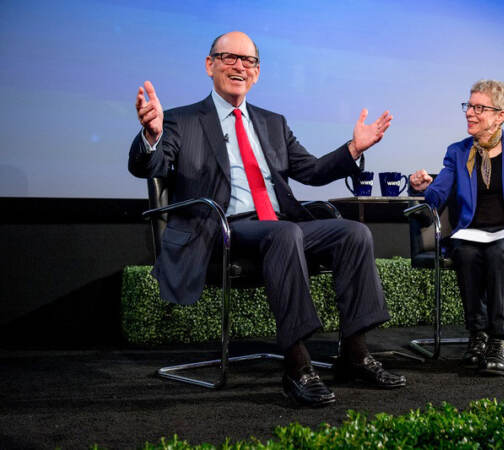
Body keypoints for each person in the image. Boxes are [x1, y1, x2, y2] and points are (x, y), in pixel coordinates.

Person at [129, 31, 406, 406]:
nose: (239, 66)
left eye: (249, 61)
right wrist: (151, 135)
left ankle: (355, 355)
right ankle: (297, 366)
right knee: (285, 233)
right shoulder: (181, 120)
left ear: (257, 73)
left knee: (353, 233)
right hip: (223, 230)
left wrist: (354, 148)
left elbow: (310, 170)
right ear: (209, 65)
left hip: (279, 225)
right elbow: (152, 165)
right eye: (229, 57)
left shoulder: (273, 122)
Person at [410, 80, 504, 376]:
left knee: (499, 252)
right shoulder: (458, 151)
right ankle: (478, 337)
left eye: (479, 108)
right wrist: (422, 187)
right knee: (464, 254)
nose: (470, 113)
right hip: (473, 233)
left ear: (500, 115)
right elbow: (437, 196)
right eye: (469, 106)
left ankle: (500, 341)